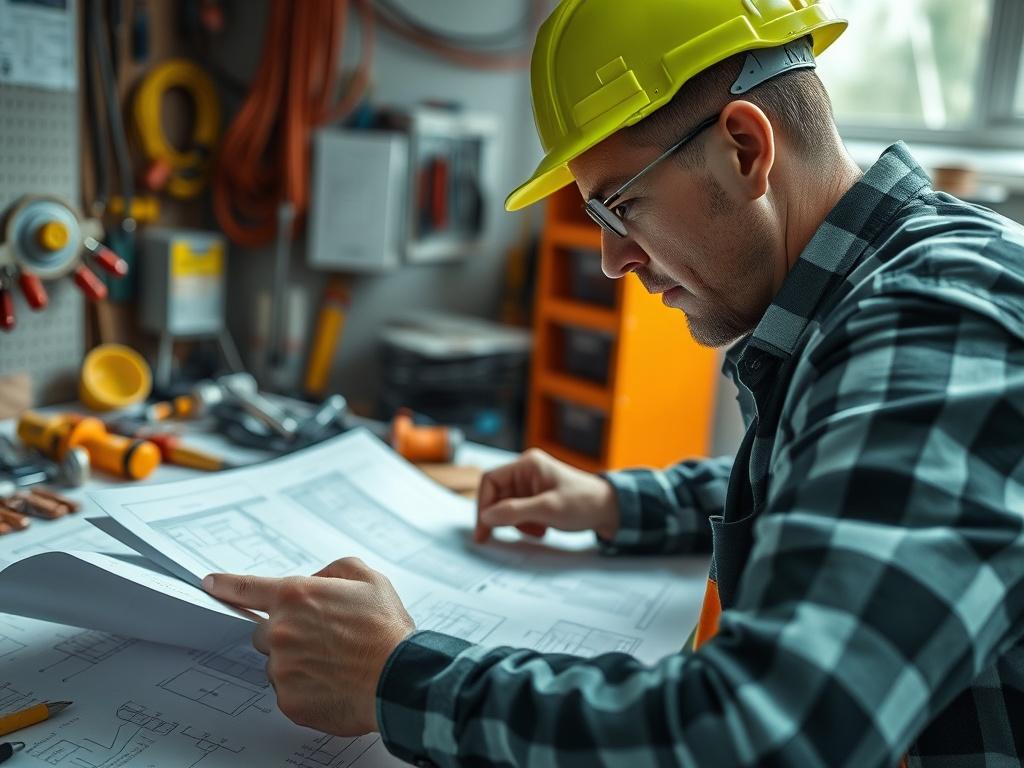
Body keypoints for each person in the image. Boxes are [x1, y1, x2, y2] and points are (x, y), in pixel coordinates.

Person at [203, 1, 1024, 765]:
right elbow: (848, 474)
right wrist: (617, 503)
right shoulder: (892, 286)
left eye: (622, 207)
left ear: (746, 148)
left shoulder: (933, 320)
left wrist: (395, 677)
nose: (612, 259)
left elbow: (768, 734)